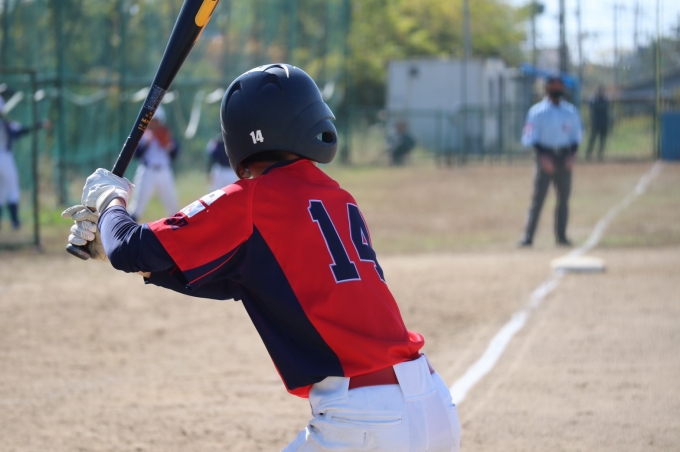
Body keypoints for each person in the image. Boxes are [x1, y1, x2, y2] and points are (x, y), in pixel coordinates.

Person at [62, 64, 461, 451]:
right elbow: (238, 281)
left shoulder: (252, 200)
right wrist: (116, 251)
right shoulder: (339, 198)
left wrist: (110, 199)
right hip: (433, 403)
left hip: (365, 421)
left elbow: (130, 249)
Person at [518, 76, 583, 247]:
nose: (556, 91)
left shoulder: (570, 111)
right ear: (547, 89)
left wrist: (572, 155)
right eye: (553, 87)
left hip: (564, 156)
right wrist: (543, 156)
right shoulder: (537, 112)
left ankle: (561, 236)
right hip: (545, 156)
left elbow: (576, 136)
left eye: (559, 88)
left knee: (563, 199)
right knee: (538, 198)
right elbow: (530, 136)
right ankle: (528, 236)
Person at [0, 95, 50, 230]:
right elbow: (22, 131)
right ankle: (15, 222)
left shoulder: (7, 124)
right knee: (12, 189)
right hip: (4, 157)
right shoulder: (6, 125)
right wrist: (39, 124)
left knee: (2, 190)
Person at [127, 105, 180, 221]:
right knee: (136, 207)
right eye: (151, 121)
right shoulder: (144, 135)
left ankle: (177, 230)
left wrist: (168, 144)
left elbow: (175, 154)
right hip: (147, 171)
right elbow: (137, 154)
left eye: (156, 121)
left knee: (173, 208)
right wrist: (148, 141)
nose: (153, 123)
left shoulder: (165, 134)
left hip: (164, 171)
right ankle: (127, 230)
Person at [585, 85, 610, 161]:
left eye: (601, 91)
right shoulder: (593, 100)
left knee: (602, 140)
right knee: (592, 139)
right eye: (598, 91)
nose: (599, 93)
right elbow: (592, 106)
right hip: (595, 122)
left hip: (603, 122)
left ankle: (600, 155)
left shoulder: (605, 100)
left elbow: (605, 106)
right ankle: (588, 154)